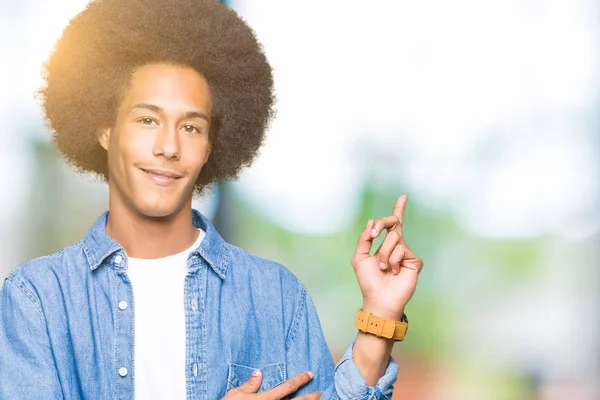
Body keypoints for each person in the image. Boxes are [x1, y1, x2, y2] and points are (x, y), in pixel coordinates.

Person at [0, 0, 424, 399]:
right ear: (106, 131)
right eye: (147, 120)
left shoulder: (275, 296)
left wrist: (380, 319)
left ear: (209, 148)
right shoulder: (38, 298)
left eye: (190, 127)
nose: (169, 147)